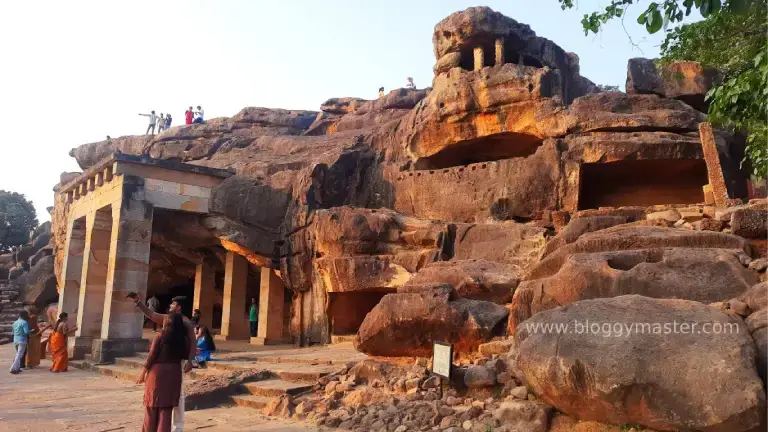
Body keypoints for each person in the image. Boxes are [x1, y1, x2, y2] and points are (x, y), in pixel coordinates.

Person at [129, 293, 196, 432]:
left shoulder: (185, 322)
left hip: (176, 360)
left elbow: (192, 341)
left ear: (178, 307)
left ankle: (178, 427)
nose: (170, 306)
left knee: (177, 397)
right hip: (171, 365)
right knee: (169, 399)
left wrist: (190, 360)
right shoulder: (167, 319)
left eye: (172, 304)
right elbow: (151, 314)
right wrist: (138, 302)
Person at [137, 312, 188, 432]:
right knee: (166, 409)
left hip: (157, 372)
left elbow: (152, 355)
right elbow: (185, 355)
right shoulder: (183, 339)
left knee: (151, 407)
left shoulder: (161, 336)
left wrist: (143, 372)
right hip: (174, 372)